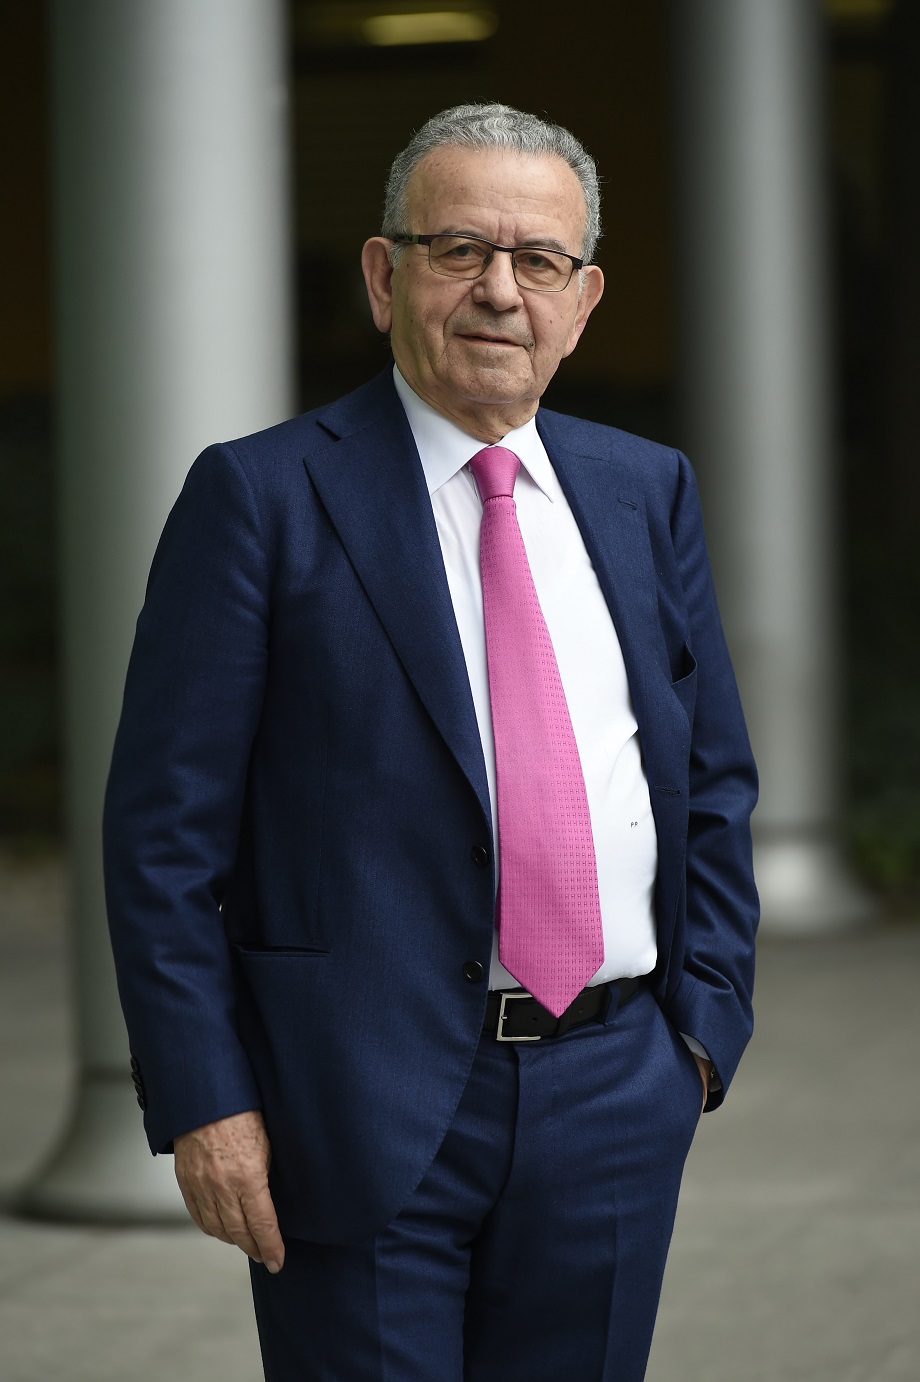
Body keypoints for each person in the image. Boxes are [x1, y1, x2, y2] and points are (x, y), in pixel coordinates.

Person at [104, 103, 758, 1381]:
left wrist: (699, 1034)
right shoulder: (261, 496)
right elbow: (161, 840)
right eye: (459, 249)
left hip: (613, 1091)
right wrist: (205, 1096)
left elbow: (709, 777)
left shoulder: (645, 489)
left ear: (582, 300)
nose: (499, 290)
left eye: (539, 260)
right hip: (352, 1102)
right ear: (381, 274)